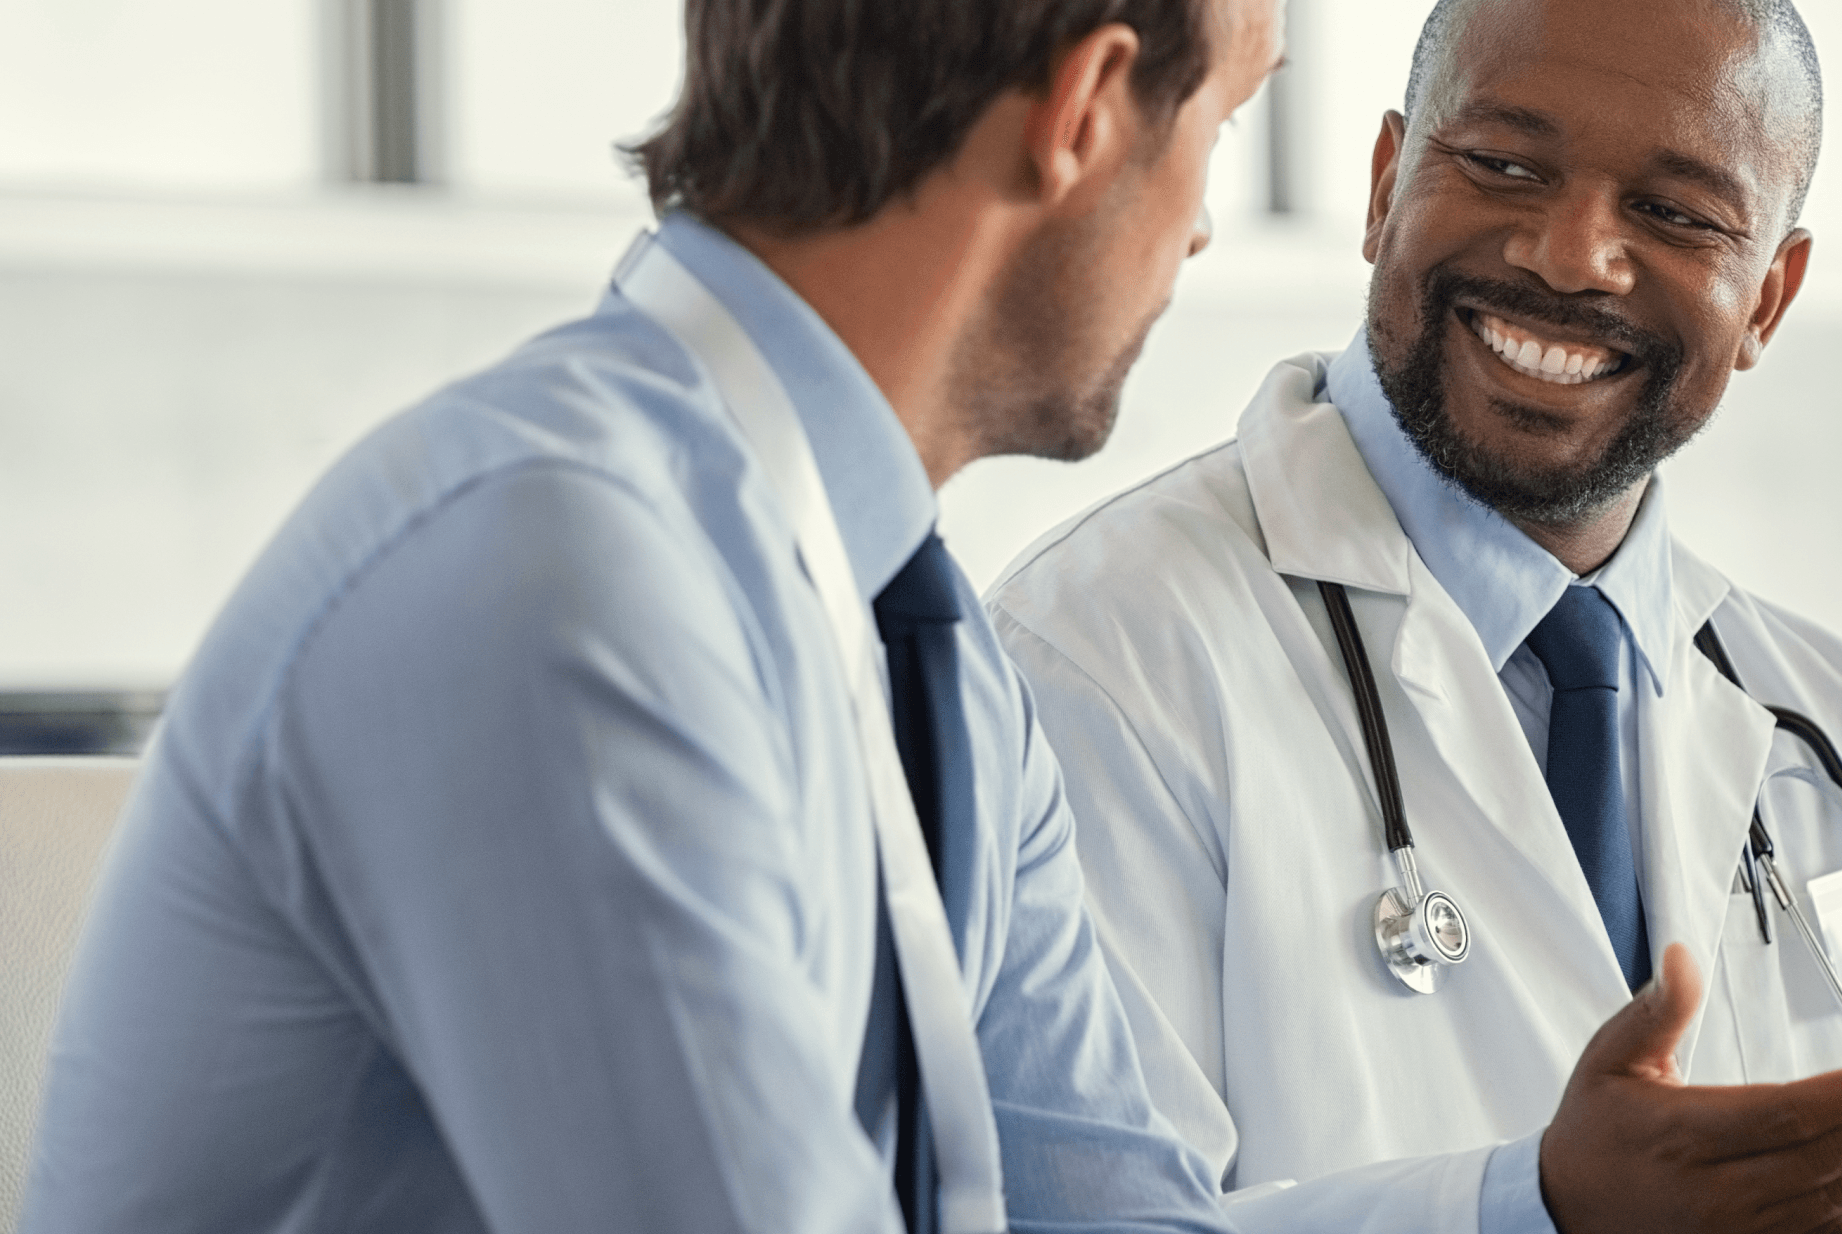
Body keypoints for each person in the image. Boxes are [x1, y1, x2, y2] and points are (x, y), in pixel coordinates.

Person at [21, 1, 1278, 1230]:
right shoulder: (556, 583)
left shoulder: (939, 668)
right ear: (1085, 107)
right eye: (1218, 122)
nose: (1206, 226)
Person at [983, 0, 1842, 1230]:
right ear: (1386, 182)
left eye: (1674, 212)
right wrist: (1526, 1209)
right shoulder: (1100, 658)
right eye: (1502, 165)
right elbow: (1079, 1219)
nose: (1569, 254)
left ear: (1768, 296)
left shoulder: (1822, 733)